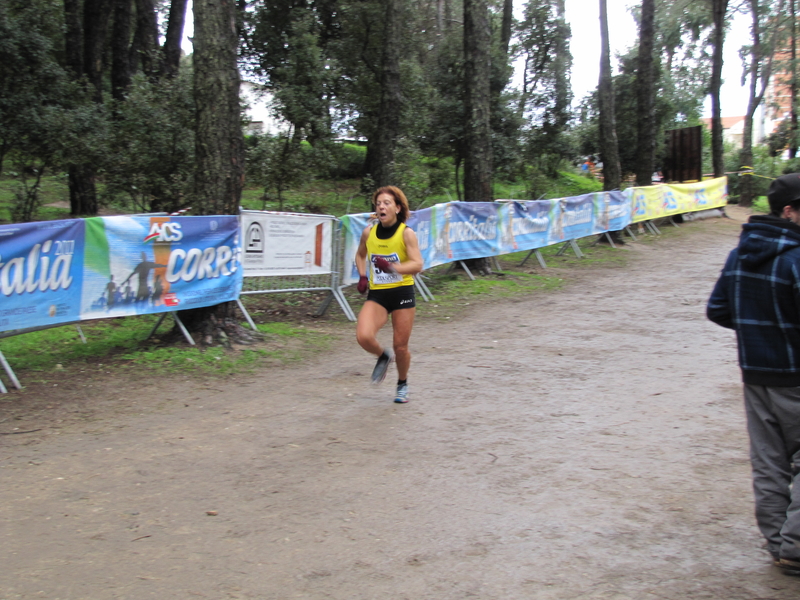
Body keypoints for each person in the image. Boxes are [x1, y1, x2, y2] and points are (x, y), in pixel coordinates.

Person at [707, 173, 800, 576]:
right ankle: (795, 547)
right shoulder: (796, 259)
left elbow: (718, 310)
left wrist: (758, 330)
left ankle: (779, 544)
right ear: (789, 211)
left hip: (757, 376)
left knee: (769, 462)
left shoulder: (740, 253)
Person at [355, 186, 423, 404]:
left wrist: (393, 268)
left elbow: (417, 264)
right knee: (363, 336)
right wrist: (363, 276)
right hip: (378, 294)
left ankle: (402, 383)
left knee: (400, 346)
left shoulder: (406, 233)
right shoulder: (369, 232)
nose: (381, 206)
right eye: (378, 203)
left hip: (402, 293)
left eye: (386, 203)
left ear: (397, 207)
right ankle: (383, 356)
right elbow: (360, 254)